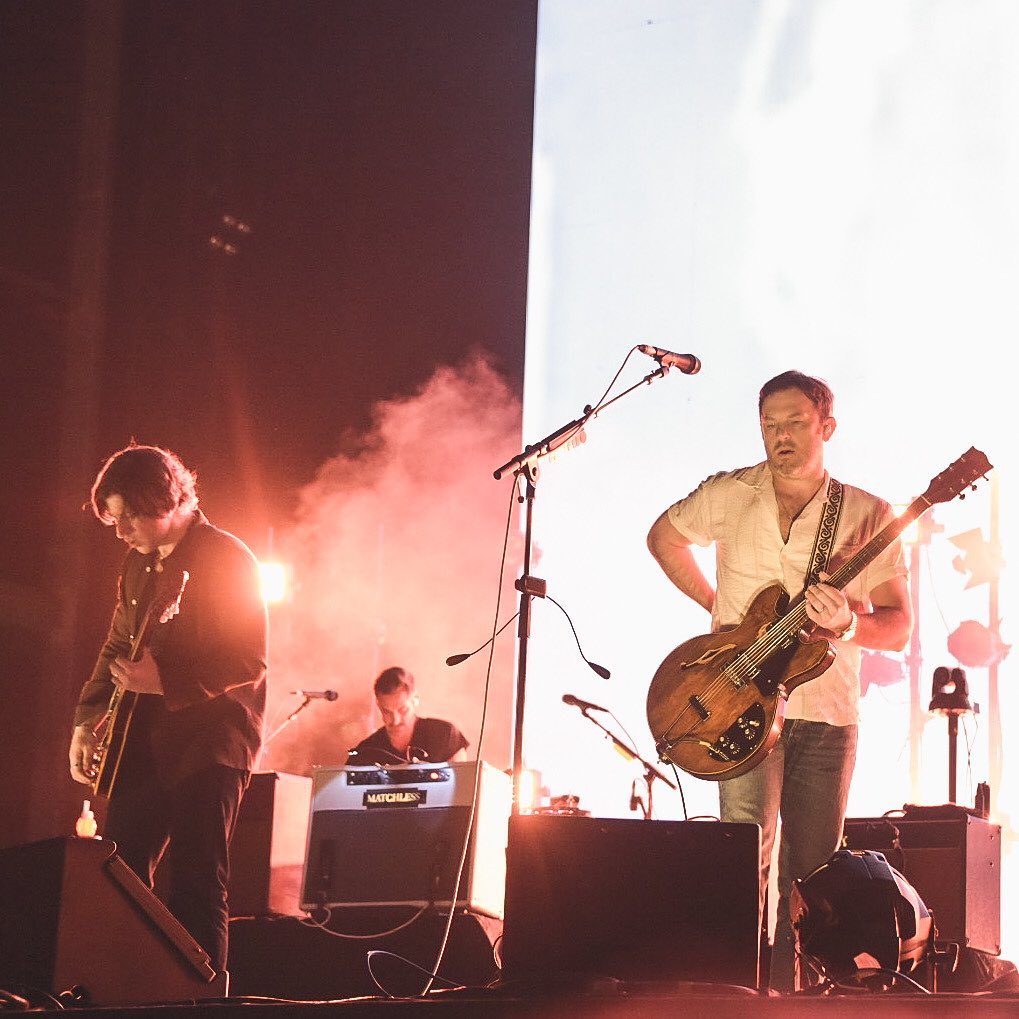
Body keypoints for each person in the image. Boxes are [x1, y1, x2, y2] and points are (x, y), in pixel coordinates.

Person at [646, 370, 911, 992]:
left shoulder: (868, 513)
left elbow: (898, 626)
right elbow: (663, 537)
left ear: (827, 427)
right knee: (744, 856)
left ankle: (801, 994)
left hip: (826, 708)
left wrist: (848, 624)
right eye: (769, 424)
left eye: (794, 422)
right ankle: (740, 991)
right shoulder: (731, 493)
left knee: (813, 875)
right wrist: (721, 624)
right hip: (739, 706)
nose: (780, 435)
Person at [68, 443, 267, 974]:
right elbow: (115, 647)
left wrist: (167, 680)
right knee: (119, 875)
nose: (119, 530)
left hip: (211, 744)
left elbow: (249, 657)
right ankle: (128, 990)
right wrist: (87, 721)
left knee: (198, 884)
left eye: (125, 515)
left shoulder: (226, 556)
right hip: (146, 744)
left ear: (162, 499)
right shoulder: (136, 567)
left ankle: (202, 1002)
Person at [349, 666, 469, 765]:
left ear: (415, 699)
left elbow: (462, 784)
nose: (395, 720)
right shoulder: (366, 751)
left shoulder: (444, 735)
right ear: (378, 705)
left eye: (402, 710)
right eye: (387, 712)